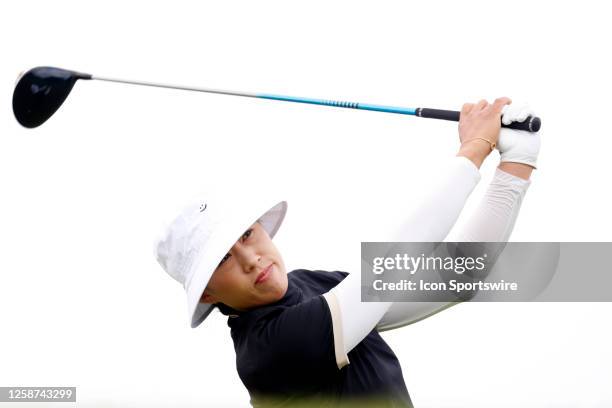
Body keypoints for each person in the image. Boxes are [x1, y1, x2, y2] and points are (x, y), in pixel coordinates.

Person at [155, 97, 541, 407]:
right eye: (223, 259)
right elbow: (395, 260)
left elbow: (456, 276)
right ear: (207, 293)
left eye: (247, 235)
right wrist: (474, 147)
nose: (250, 258)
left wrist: (516, 163)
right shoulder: (266, 351)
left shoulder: (312, 286)